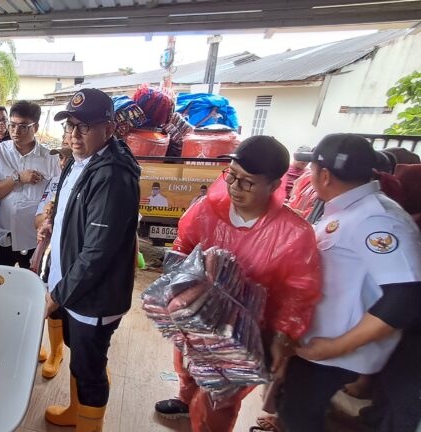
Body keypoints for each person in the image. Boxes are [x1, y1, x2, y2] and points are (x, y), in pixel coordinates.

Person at [153, 136, 322, 432]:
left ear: (273, 185)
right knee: (188, 364)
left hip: (246, 333)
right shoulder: (207, 210)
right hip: (198, 315)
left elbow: (299, 293)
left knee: (222, 397)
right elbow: (183, 244)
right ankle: (185, 399)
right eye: (231, 175)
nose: (234, 187)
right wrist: (177, 287)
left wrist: (281, 336)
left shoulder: (294, 233)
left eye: (247, 182)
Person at [276, 134, 421, 432]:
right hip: (322, 343)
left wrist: (334, 347)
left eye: (312, 169)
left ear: (324, 175)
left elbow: (404, 297)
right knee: (293, 406)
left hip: (336, 350)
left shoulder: (376, 221)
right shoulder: (350, 210)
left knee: (298, 416)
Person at [41, 88, 141, 431]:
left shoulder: (112, 176)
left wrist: (57, 294)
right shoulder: (79, 160)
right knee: (81, 358)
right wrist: (53, 222)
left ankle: (89, 424)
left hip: (94, 296)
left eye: (84, 127)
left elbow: (97, 252)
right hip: (74, 287)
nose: (74, 134)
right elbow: (74, 215)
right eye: (70, 125)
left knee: (90, 370)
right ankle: (77, 411)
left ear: (109, 128)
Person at [0, 100, 61, 268]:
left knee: (28, 283)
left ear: (35, 127)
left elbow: (54, 198)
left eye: (23, 126)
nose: (16, 131)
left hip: (32, 239)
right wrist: (17, 178)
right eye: (12, 125)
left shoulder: (50, 159)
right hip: (1, 237)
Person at [34, 145, 73, 379]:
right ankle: (55, 352)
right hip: (55, 255)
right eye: (61, 157)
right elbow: (38, 219)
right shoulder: (55, 183)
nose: (63, 161)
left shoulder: (97, 177)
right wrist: (46, 221)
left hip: (81, 258)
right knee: (52, 302)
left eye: (68, 156)